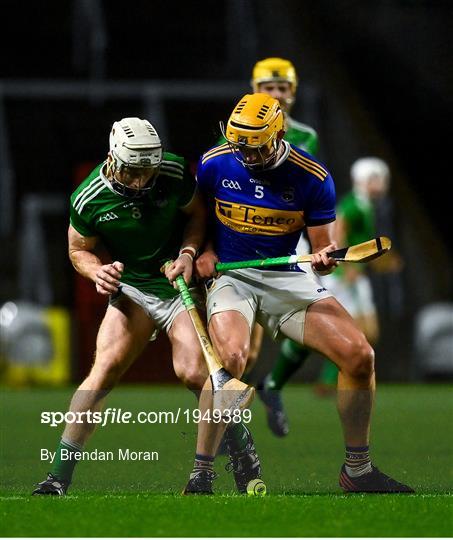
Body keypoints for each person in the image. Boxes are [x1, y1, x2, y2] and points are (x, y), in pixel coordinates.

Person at [189, 93, 413, 493]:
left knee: (360, 356)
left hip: (284, 275)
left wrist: (325, 258)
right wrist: (201, 252)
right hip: (231, 275)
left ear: (276, 136)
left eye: (253, 147)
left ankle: (357, 472)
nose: (244, 154)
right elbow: (196, 220)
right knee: (231, 359)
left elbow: (321, 244)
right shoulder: (214, 162)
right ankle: (202, 473)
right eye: (238, 143)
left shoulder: (312, 177)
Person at [32, 117, 214, 495]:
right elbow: (77, 249)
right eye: (132, 171)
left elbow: (197, 214)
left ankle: (225, 462)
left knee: (195, 373)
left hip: (177, 286)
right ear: (113, 159)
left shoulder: (174, 171)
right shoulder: (88, 196)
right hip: (132, 290)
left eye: (147, 172)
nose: (140, 181)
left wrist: (187, 252)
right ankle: (57, 477)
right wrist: (97, 271)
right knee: (102, 372)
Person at [314, 157, 400, 395]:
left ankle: (337, 377)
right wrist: (345, 266)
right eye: (377, 178)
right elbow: (338, 235)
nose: (382, 183)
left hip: (355, 274)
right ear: (364, 179)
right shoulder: (352, 205)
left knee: (369, 332)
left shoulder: (366, 205)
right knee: (354, 331)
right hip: (344, 275)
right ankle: (332, 380)